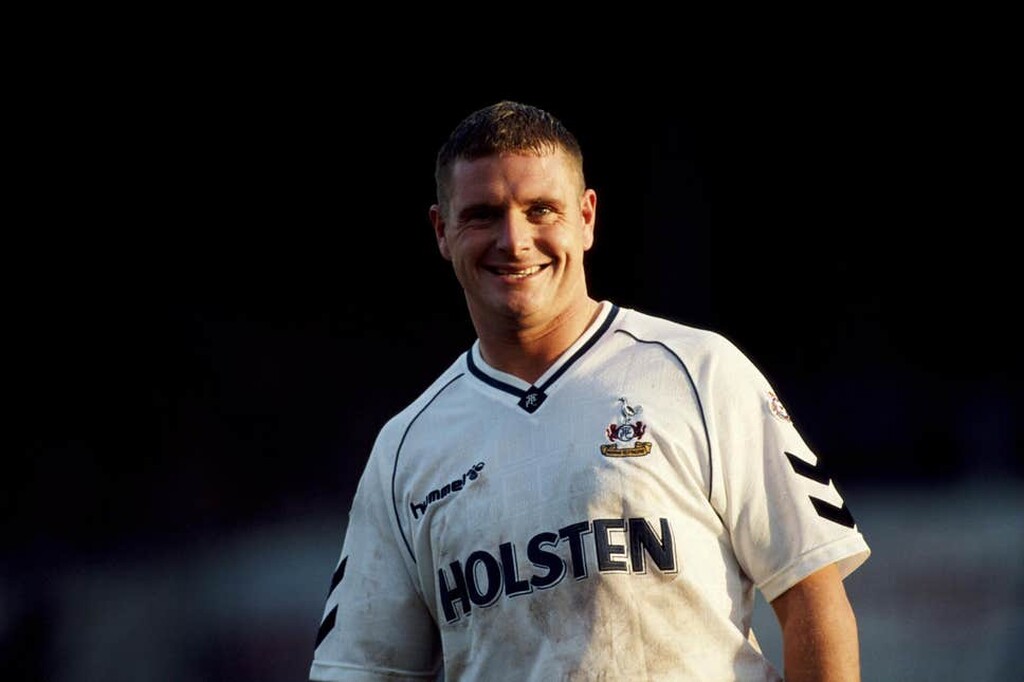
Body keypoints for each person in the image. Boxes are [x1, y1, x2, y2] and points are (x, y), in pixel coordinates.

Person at [309, 100, 870, 681]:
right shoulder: (404, 450)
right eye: (482, 215)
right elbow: (361, 668)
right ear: (441, 231)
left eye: (540, 210)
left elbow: (813, 600)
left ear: (586, 217)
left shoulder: (699, 372)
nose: (514, 240)